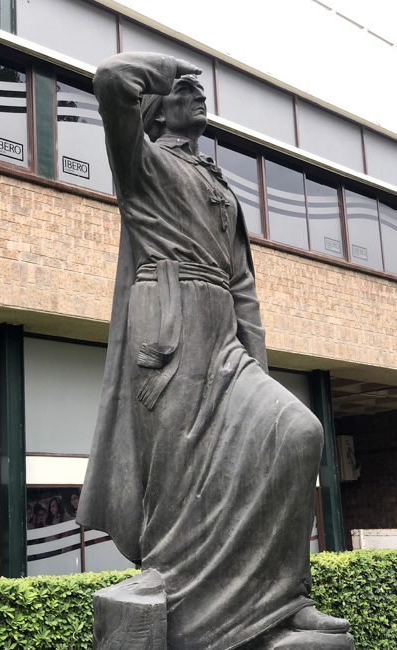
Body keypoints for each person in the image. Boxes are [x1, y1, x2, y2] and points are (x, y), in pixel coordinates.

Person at [77, 53, 351, 650]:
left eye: (198, 89)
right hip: (169, 323)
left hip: (225, 333)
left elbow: (243, 285)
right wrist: (170, 65)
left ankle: (285, 597)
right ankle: (166, 573)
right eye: (185, 90)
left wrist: (258, 366)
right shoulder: (141, 162)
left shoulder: (221, 185)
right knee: (175, 470)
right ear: (158, 110)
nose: (198, 95)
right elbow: (111, 80)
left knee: (297, 432)